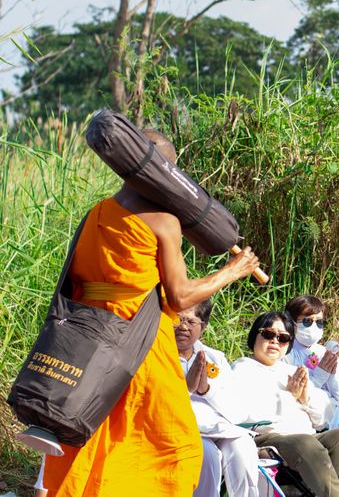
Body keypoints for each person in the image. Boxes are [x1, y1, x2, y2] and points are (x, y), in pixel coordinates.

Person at [43, 129, 260, 496]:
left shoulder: (97, 212)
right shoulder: (163, 221)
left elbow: (77, 283)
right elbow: (178, 298)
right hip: (141, 345)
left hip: (90, 343)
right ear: (158, 173)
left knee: (99, 438)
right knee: (178, 446)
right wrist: (230, 272)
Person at [231, 310, 339, 497]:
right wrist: (290, 397)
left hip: (307, 437)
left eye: (282, 338)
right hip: (269, 439)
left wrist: (305, 399)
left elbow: (323, 420)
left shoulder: (292, 370)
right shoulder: (243, 369)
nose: (275, 341)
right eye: (268, 334)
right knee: (305, 442)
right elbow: (251, 415)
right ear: (254, 336)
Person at [175, 299, 259, 497]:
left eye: (191, 321)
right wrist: (186, 389)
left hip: (218, 427)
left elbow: (238, 412)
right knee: (207, 454)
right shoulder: (159, 353)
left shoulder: (214, 357)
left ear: (203, 327)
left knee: (243, 446)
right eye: (177, 319)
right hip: (181, 428)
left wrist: (206, 390)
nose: (183, 327)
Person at [285, 295, 339, 430]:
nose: (314, 327)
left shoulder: (325, 353)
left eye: (319, 322)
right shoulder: (284, 353)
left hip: (335, 421)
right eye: (307, 321)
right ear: (291, 322)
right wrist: (319, 377)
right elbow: (291, 395)